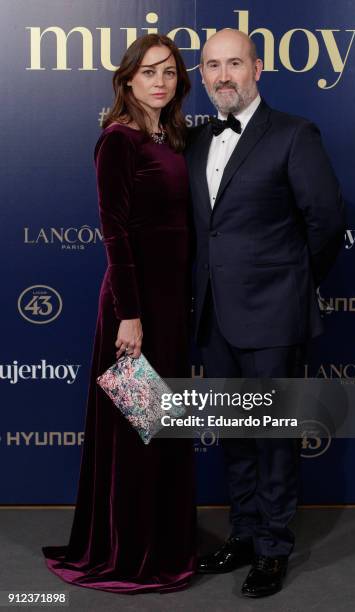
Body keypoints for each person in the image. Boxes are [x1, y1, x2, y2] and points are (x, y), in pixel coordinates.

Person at [185, 29, 345, 598]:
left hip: (275, 317)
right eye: (212, 66)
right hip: (214, 318)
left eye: (234, 63)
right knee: (233, 434)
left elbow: (326, 221)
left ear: (258, 69)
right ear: (201, 75)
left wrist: (292, 285)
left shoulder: (295, 134)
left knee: (274, 439)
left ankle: (275, 548)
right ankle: (245, 534)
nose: (223, 75)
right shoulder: (197, 141)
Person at [42, 34, 196, 594]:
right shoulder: (118, 141)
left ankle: (165, 539)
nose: (161, 81)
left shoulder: (172, 136)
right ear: (127, 78)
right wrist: (130, 315)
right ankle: (131, 552)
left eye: (171, 72)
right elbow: (115, 231)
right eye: (149, 71)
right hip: (134, 310)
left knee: (161, 428)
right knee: (138, 432)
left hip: (171, 306)